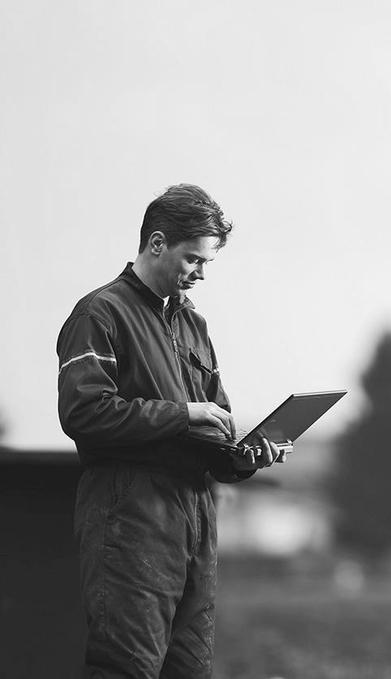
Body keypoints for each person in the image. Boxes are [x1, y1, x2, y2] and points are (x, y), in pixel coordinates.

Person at [56, 183, 280, 678]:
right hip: (130, 521)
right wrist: (184, 413)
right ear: (157, 243)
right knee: (124, 669)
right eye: (193, 259)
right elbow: (84, 414)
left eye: (206, 263)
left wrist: (247, 456)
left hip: (195, 527)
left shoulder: (194, 326)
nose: (200, 273)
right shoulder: (99, 314)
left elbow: (214, 435)